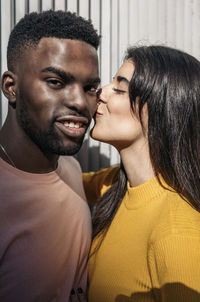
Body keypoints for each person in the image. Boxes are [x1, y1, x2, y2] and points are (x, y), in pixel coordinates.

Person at [83, 45, 200, 301]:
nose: (100, 93)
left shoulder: (178, 234)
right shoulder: (115, 184)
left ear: (161, 109)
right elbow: (53, 182)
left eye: (120, 88)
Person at [0, 10, 100, 302]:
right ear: (11, 87)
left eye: (90, 87)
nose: (80, 102)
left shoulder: (70, 165)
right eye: (56, 82)